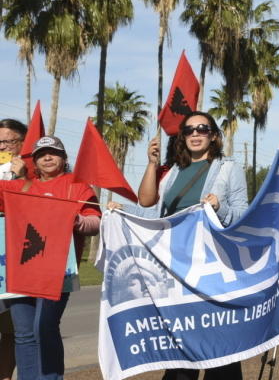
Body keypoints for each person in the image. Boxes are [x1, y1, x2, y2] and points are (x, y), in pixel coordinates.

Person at [111, 112, 249, 380]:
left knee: (217, 339)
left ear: (214, 135)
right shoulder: (174, 172)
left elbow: (242, 214)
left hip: (212, 267)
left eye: (202, 129)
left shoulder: (228, 167)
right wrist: (124, 210)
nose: (195, 134)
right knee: (182, 338)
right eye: (188, 131)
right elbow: (158, 215)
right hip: (177, 267)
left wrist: (220, 208)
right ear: (182, 137)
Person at [0, 135, 100, 380]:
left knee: (44, 327)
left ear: (64, 158)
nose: (47, 157)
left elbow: (96, 222)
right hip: (20, 269)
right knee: (23, 332)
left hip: (58, 270)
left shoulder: (77, 186)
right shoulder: (20, 186)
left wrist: (75, 220)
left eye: (53, 153)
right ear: (33, 160)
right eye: (41, 154)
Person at [0, 119, 27, 380]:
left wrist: (23, 176)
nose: (3, 146)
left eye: (8, 141)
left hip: (17, 261)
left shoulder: (33, 169)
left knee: (11, 331)